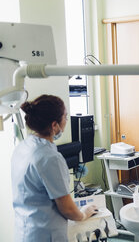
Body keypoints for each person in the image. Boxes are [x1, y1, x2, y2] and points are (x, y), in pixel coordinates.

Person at [11, 94, 97, 241]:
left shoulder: (23, 147)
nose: (67, 120)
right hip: (45, 234)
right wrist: (84, 213)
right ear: (54, 125)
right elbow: (68, 210)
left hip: (24, 231)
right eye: (65, 117)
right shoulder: (50, 158)